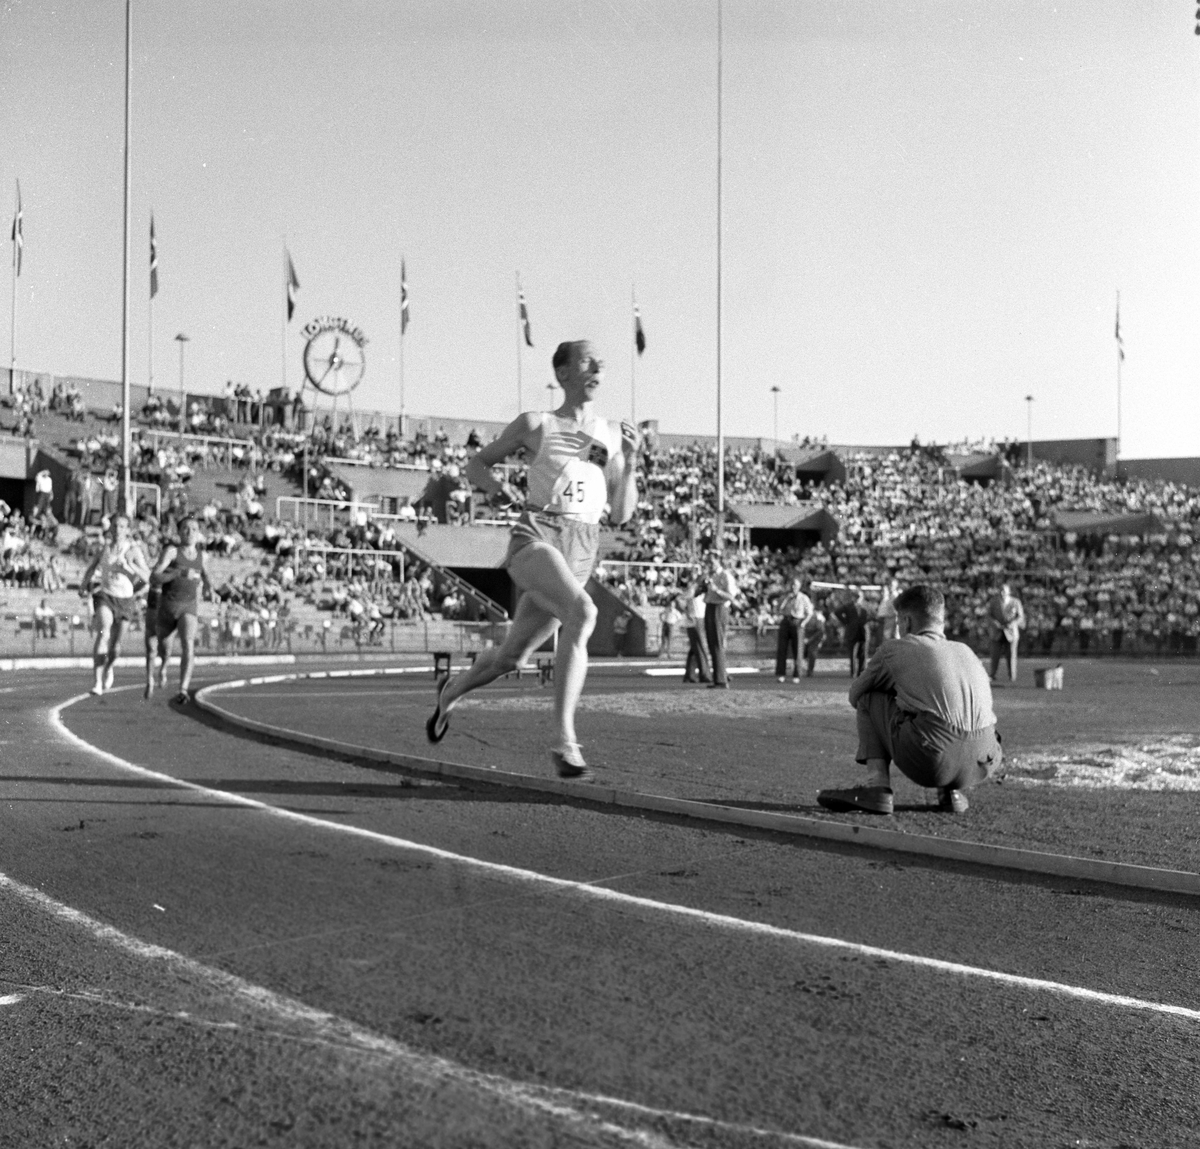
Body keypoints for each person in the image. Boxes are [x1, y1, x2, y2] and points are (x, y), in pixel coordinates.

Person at [425, 340, 639, 780]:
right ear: (561, 374)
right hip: (537, 536)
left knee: (511, 658)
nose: (599, 365)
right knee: (583, 612)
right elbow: (476, 465)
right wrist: (494, 488)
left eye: (601, 360)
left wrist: (631, 464)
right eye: (586, 360)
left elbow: (619, 514)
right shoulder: (536, 424)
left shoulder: (610, 436)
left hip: (583, 546)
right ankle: (564, 742)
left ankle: (450, 693)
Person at [817, 585, 1003, 816]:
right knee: (945, 709)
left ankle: (877, 788)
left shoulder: (895, 648)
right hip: (984, 760)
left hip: (935, 760)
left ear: (907, 621)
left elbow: (855, 695)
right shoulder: (966, 650)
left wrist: (899, 692)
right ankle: (951, 793)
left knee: (870, 698)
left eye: (898, 621)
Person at [81, 514, 151, 696]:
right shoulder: (104, 549)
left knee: (115, 647)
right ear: (110, 528)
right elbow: (91, 567)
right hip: (105, 595)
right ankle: (97, 682)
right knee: (103, 630)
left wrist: (129, 565)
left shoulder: (133, 550)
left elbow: (148, 576)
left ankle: (109, 667)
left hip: (125, 600)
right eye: (115, 526)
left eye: (122, 526)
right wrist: (83, 584)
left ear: (128, 530)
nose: (118, 530)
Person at [150, 517, 213, 702]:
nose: (190, 532)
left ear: (199, 533)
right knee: (165, 649)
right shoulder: (171, 552)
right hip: (168, 607)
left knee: (188, 643)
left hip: (189, 606)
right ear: (179, 532)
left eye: (194, 529)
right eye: (185, 528)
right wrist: (177, 573)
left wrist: (211, 590)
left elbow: (207, 576)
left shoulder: (203, 556)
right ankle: (163, 666)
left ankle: (183, 690)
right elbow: (154, 577)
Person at [703, 553, 739, 688]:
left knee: (718, 643)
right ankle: (719, 676)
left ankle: (721, 680)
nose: (710, 565)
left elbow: (731, 596)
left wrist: (716, 590)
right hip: (710, 606)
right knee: (712, 644)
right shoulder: (711, 576)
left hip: (719, 608)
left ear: (719, 562)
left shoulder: (725, 575)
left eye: (712, 562)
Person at [774, 576, 813, 682]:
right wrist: (786, 599)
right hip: (786, 621)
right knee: (782, 649)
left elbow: (809, 612)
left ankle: (797, 674)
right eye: (791, 585)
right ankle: (781, 674)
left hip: (797, 622)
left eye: (795, 585)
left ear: (799, 586)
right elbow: (779, 609)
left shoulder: (803, 598)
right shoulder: (785, 597)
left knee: (797, 650)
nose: (793, 587)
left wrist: (803, 623)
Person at [987, 582, 1026, 683]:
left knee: (1012, 655)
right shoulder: (993, 601)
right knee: (995, 655)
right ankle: (992, 674)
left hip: (1011, 632)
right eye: (1000, 590)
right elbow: (988, 615)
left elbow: (1020, 617)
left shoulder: (1015, 602)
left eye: (1004, 590)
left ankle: (1012, 676)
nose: (1001, 592)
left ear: (1009, 592)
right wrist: (995, 623)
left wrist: (1012, 624)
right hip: (997, 632)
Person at [835, 587, 871, 678]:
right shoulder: (848, 606)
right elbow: (837, 612)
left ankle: (862, 672)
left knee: (863, 653)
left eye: (860, 596)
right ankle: (853, 672)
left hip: (862, 632)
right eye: (857, 596)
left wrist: (865, 622)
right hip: (852, 632)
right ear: (853, 597)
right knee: (853, 653)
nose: (858, 598)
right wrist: (846, 622)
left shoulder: (866, 606)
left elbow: (872, 615)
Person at [682, 580, 711, 683]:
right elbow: (683, 599)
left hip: (696, 619)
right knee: (700, 648)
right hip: (697, 619)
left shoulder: (699, 594)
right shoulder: (693, 592)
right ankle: (705, 674)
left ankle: (690, 674)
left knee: (694, 649)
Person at [801, 605, 828, 677]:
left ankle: (810, 671)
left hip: (815, 637)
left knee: (812, 653)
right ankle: (801, 670)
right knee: (803, 654)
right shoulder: (802, 615)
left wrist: (810, 640)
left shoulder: (817, 616)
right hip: (804, 636)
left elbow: (820, 631)